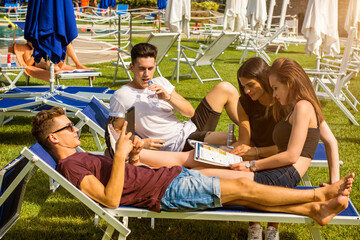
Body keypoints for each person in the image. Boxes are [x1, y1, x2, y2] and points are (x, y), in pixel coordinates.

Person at [31, 107, 354, 228]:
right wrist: (119, 157)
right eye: (68, 128)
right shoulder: (71, 166)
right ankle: (317, 194)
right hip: (165, 191)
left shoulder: (78, 156)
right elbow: (111, 200)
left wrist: (130, 157)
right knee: (245, 187)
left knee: (243, 194)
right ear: (54, 139)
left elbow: (121, 179)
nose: (75, 130)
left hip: (165, 178)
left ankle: (312, 211)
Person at [231, 57, 340, 239]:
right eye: (243, 87)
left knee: (244, 189)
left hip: (278, 160)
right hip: (264, 157)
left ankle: (273, 228)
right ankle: (255, 226)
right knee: (246, 190)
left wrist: (334, 183)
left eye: (250, 85)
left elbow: (327, 142)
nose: (246, 91)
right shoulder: (252, 101)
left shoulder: (296, 105)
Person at [108, 43, 240, 154]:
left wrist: (168, 97)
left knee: (225, 88)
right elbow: (114, 131)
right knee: (228, 138)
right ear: (132, 67)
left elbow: (189, 112)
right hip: (176, 144)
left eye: (150, 68)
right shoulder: (122, 95)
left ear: (155, 66)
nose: (147, 74)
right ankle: (249, 146)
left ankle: (252, 129)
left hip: (189, 129)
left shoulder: (161, 82)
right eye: (141, 69)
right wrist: (141, 142)